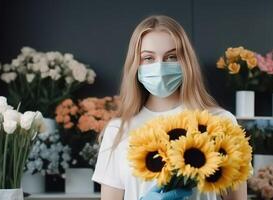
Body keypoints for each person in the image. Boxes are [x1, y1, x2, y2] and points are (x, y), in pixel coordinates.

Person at [92, 15, 247, 200]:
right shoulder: (118, 130)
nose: (160, 66)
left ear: (186, 62)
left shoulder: (220, 122)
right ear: (135, 64)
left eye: (172, 57)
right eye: (148, 58)